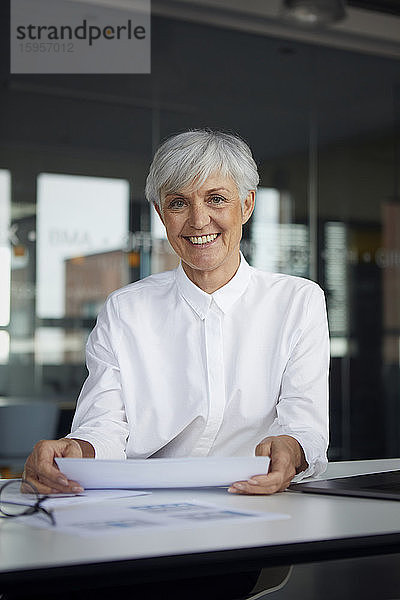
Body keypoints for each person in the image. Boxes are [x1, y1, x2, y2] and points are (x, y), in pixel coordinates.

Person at [24, 129, 329, 497]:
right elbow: (104, 426)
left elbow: (305, 424)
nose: (199, 220)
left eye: (216, 199)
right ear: (160, 213)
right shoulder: (125, 309)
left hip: (261, 504)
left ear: (246, 205)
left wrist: (292, 449)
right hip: (145, 507)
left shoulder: (297, 301)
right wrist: (77, 451)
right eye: (179, 203)